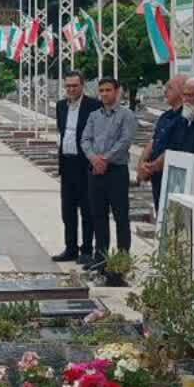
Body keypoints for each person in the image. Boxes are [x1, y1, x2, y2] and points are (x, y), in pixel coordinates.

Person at [81, 76, 136, 267]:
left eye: (108, 90)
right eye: (101, 90)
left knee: (121, 217)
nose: (104, 94)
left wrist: (105, 159)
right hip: (96, 171)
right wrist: (94, 159)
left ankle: (122, 260)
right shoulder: (94, 116)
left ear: (117, 91)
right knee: (98, 216)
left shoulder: (126, 115)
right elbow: (85, 139)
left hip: (116, 171)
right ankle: (101, 259)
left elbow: (125, 141)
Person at [53, 71, 102, 262]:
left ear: (82, 86)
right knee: (68, 210)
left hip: (85, 164)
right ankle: (70, 248)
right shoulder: (60, 106)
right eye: (68, 86)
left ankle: (87, 249)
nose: (71, 89)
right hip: (67, 163)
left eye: (75, 86)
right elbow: (63, 131)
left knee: (87, 209)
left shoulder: (93, 106)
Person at [138, 78, 187, 215]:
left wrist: (151, 167)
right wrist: (141, 164)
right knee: (160, 213)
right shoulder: (165, 116)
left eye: (170, 88)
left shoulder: (185, 117)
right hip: (157, 177)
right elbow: (153, 141)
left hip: (174, 178)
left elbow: (175, 148)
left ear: (182, 91)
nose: (165, 91)